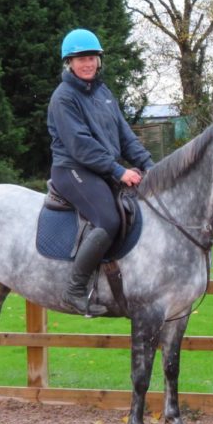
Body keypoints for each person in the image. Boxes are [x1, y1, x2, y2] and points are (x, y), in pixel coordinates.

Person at [47, 28, 154, 316]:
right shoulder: (64, 98)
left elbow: (124, 135)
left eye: (92, 57)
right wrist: (119, 171)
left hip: (101, 170)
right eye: (80, 58)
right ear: (69, 62)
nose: (87, 63)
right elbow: (81, 146)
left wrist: (150, 166)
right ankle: (74, 290)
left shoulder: (103, 93)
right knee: (107, 218)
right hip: (73, 170)